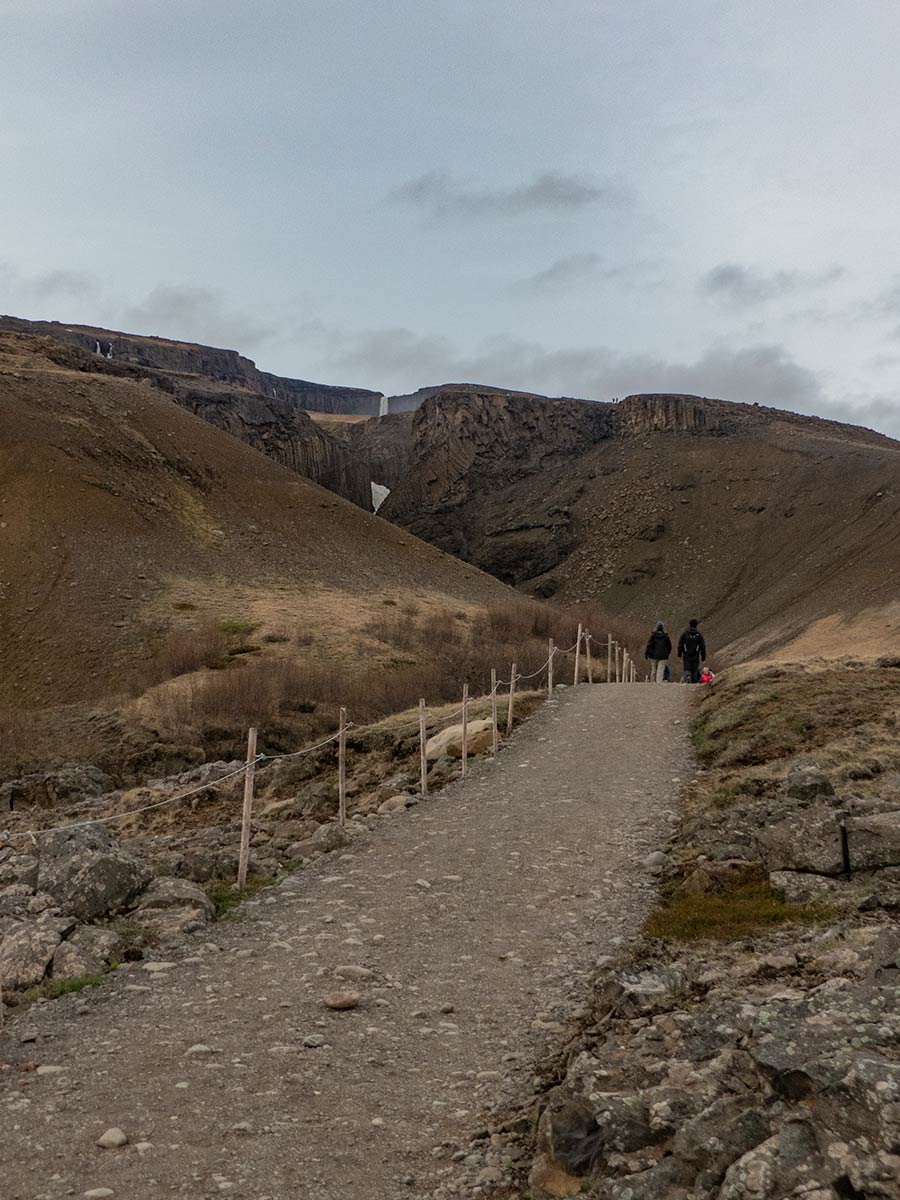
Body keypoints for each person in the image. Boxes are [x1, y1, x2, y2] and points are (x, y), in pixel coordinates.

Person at [677, 618, 707, 683]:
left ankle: (687, 677)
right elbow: (702, 647)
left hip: (686, 655)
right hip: (695, 656)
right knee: (694, 670)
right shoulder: (699, 635)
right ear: (696, 625)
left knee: (687, 668)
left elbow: (680, 645)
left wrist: (679, 655)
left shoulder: (685, 634)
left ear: (689, 624)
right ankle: (693, 683)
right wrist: (703, 658)